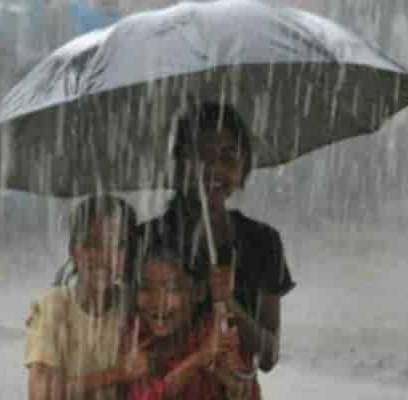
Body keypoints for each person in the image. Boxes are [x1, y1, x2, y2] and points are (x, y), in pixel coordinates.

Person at [138, 102, 296, 377]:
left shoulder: (263, 242)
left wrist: (230, 305)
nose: (214, 168)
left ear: (243, 167)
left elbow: (268, 356)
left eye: (228, 156)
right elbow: (133, 344)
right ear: (179, 165)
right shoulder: (146, 240)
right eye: (201, 156)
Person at [25, 195, 143, 400]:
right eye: (92, 244)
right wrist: (119, 373)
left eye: (117, 245)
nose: (104, 257)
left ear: (128, 254)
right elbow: (41, 393)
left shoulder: (130, 304)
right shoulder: (54, 306)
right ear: (73, 251)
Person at [127, 242, 260, 400]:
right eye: (145, 288)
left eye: (171, 289)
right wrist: (199, 358)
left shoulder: (216, 332)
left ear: (198, 292)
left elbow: (246, 391)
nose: (157, 302)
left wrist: (234, 384)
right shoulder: (136, 334)